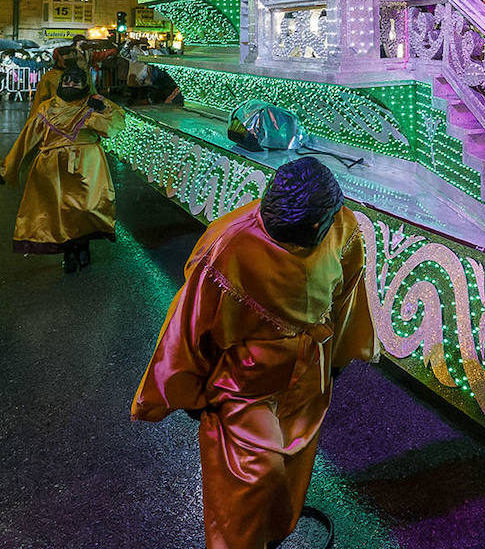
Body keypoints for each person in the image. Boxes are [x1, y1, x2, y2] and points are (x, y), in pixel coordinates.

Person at [132, 157, 375, 549]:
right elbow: (190, 324)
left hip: (308, 370)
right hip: (245, 382)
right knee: (251, 474)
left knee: (294, 458)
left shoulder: (342, 225)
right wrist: (187, 390)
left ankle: (274, 531)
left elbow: (347, 295)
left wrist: (340, 356)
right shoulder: (229, 243)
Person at [0, 67, 123, 272]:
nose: (70, 84)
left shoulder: (93, 104)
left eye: (76, 81)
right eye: (67, 81)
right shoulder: (47, 107)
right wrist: (9, 167)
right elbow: (26, 140)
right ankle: (69, 252)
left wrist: (102, 108)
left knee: (87, 209)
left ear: (85, 84)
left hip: (87, 167)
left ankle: (83, 246)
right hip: (51, 169)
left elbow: (113, 127)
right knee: (57, 213)